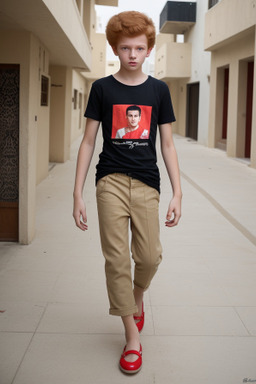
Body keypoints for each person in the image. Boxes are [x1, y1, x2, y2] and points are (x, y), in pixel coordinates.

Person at [73, 10, 182, 375]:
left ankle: (136, 298)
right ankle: (132, 336)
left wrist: (177, 193)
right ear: (115, 49)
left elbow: (167, 145)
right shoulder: (102, 89)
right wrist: (78, 194)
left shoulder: (159, 90)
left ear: (149, 49)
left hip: (147, 183)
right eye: (125, 48)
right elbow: (88, 142)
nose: (132, 54)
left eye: (139, 47)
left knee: (149, 257)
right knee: (117, 260)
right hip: (110, 183)